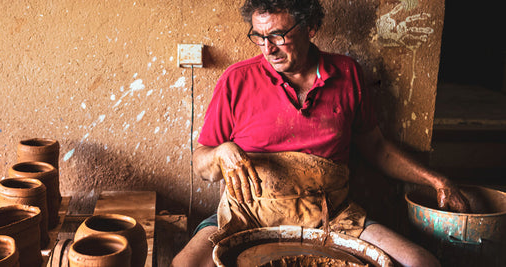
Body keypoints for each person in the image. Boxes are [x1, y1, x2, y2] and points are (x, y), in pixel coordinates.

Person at [172, 0, 468, 266]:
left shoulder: (347, 73)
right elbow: (202, 165)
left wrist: (437, 180)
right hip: (246, 215)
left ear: (311, 27)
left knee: (420, 263)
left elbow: (377, 148)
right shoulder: (237, 79)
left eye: (278, 35)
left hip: (331, 216)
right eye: (259, 36)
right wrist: (221, 153)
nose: (268, 48)